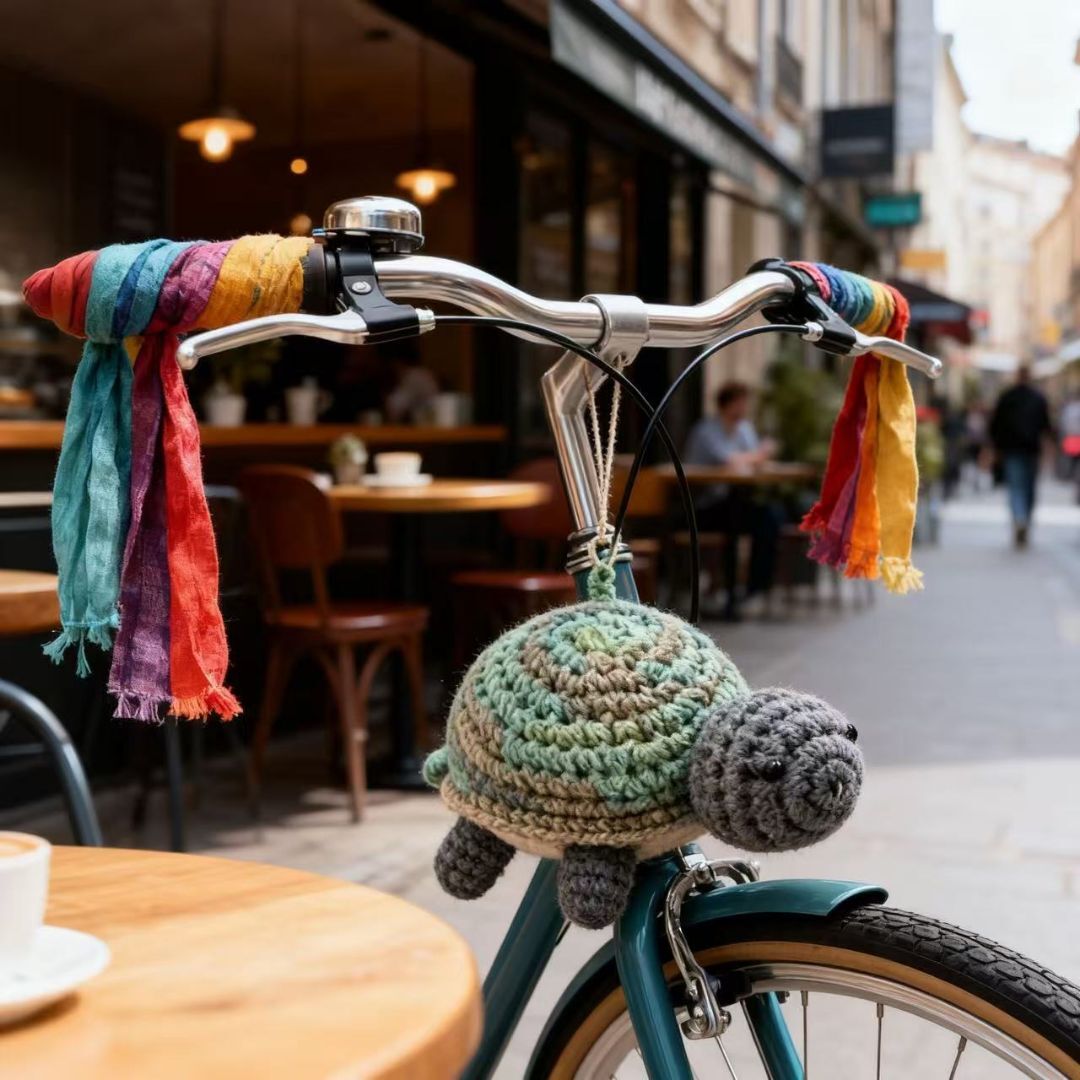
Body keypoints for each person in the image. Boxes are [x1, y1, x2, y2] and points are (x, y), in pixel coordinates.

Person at [685, 381, 781, 607]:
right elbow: (731, 460)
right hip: (703, 507)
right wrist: (759, 455)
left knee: (770, 518)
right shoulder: (707, 430)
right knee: (734, 521)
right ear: (727, 404)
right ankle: (730, 599)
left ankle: (754, 587)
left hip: (733, 503)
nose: (744, 408)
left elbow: (751, 460)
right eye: (740, 403)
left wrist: (755, 457)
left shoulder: (744, 429)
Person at [989, 365, 1052, 548]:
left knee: (1016, 487)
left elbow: (996, 425)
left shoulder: (1007, 396)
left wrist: (996, 448)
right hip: (1031, 449)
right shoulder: (1038, 397)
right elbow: (1046, 427)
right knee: (1029, 489)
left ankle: (1019, 517)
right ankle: (1024, 519)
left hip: (1012, 449)